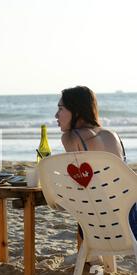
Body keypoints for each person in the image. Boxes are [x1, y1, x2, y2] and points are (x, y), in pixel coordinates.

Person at [55, 85, 137, 240]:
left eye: (61, 109)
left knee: (87, 205)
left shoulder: (71, 137)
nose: (56, 115)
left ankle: (91, 260)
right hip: (132, 221)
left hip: (102, 228)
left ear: (76, 111)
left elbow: (76, 186)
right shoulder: (112, 135)